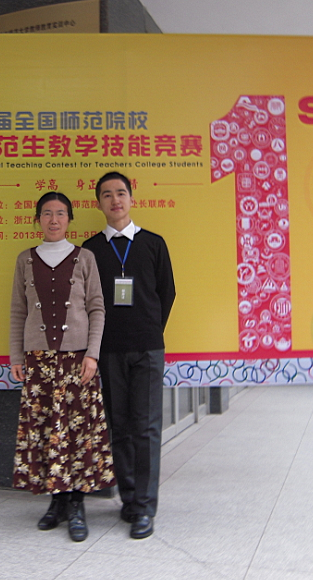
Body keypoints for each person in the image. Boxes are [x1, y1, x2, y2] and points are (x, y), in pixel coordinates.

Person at [9, 191, 115, 543]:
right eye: (46, 213)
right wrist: (16, 357)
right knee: (46, 431)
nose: (53, 220)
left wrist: (92, 354)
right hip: (39, 362)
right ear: (37, 219)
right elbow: (18, 311)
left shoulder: (85, 257)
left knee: (78, 433)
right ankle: (56, 501)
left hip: (77, 360)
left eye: (60, 213)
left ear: (69, 219)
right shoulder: (25, 260)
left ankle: (77, 505)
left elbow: (97, 308)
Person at [82, 172, 176, 540]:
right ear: (99, 203)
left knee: (147, 427)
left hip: (148, 349)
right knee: (118, 426)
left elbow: (166, 293)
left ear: (131, 199)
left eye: (121, 192)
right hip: (108, 349)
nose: (115, 200)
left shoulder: (153, 243)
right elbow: (87, 301)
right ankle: (129, 498)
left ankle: (145, 508)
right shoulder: (90, 250)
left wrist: (149, 327)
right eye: (107, 195)